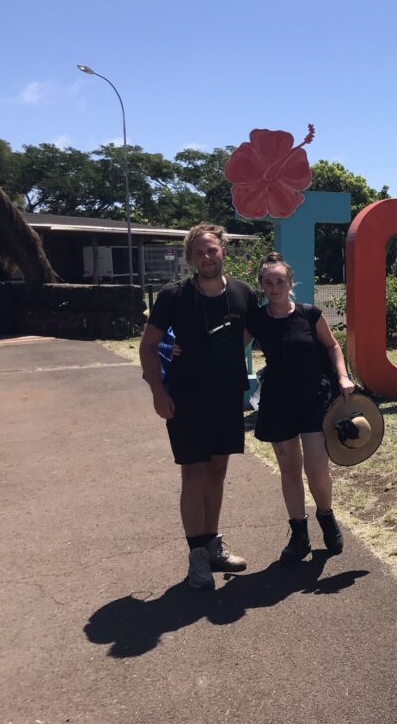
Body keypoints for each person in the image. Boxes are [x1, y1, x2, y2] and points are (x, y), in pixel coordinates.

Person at [138, 223, 257, 590]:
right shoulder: (174, 296)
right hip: (186, 399)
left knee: (218, 469)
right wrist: (158, 391)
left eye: (213, 250)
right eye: (199, 252)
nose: (207, 257)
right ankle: (197, 557)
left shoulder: (242, 293)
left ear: (224, 250)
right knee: (193, 474)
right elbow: (148, 345)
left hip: (225, 397)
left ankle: (212, 543)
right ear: (191, 258)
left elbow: (248, 333)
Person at [246, 251, 355, 564]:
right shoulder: (258, 321)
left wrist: (343, 376)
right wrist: (182, 346)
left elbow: (333, 345)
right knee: (289, 470)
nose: (275, 286)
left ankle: (327, 517)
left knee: (317, 468)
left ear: (290, 282)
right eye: (268, 282)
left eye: (280, 280)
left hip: (313, 398)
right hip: (278, 402)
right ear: (262, 286)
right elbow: (227, 348)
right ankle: (299, 534)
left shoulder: (309, 313)